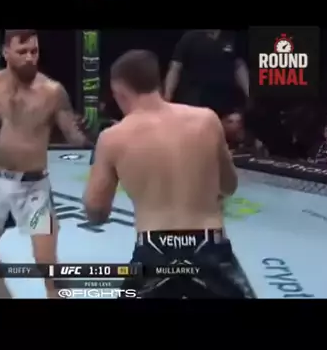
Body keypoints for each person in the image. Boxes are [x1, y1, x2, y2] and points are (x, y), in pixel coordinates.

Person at [84, 50, 253, 299]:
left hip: (154, 250)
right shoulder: (206, 120)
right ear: (159, 82)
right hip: (209, 246)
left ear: (118, 91)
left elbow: (96, 211)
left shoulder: (112, 138)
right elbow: (229, 185)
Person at [0, 29, 91, 298]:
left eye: (34, 51)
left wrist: (87, 131)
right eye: (22, 52)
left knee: (46, 261)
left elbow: (75, 136)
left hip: (34, 187)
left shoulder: (52, 91)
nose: (30, 57)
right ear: (6, 52)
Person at [164, 29, 249, 118]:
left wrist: (248, 93)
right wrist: (167, 96)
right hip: (196, 100)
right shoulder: (189, 38)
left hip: (225, 101)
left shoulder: (231, 38)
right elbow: (175, 68)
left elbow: (239, 67)